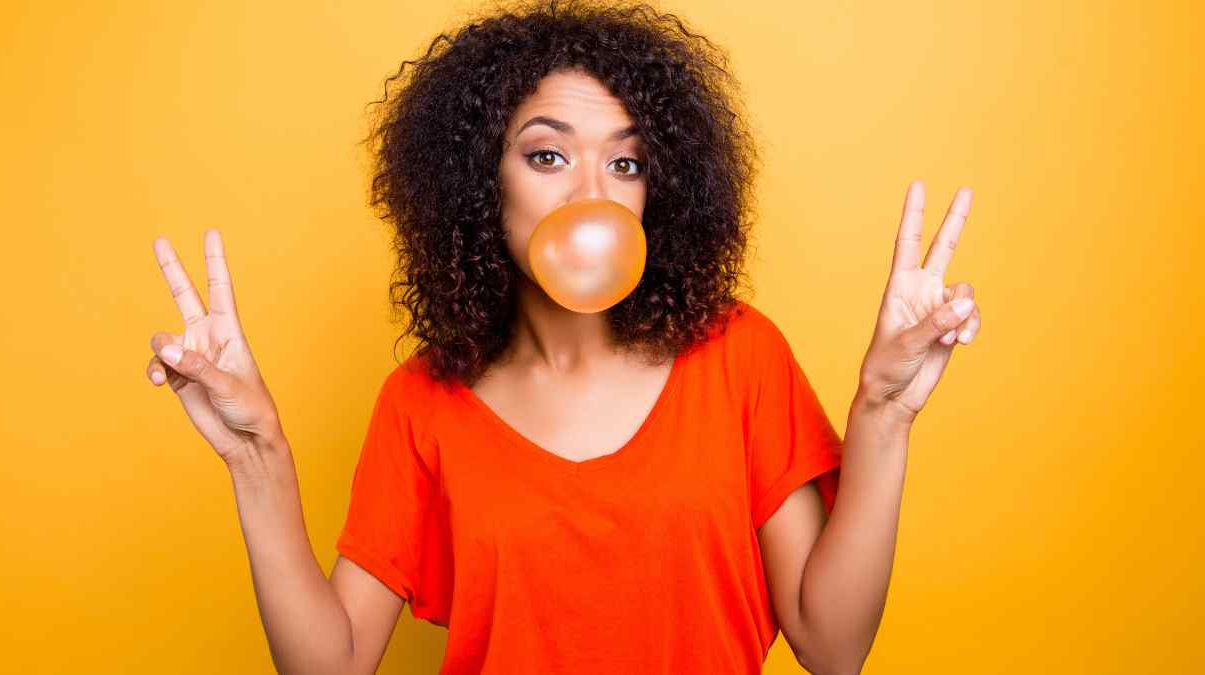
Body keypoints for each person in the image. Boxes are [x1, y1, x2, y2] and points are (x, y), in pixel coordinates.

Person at [144, 1, 983, 673]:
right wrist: (258, 459)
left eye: (626, 163)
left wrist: (884, 411)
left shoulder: (739, 356)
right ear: (481, 180)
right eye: (547, 156)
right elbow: (333, 663)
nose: (594, 193)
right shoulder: (421, 404)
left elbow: (833, 648)